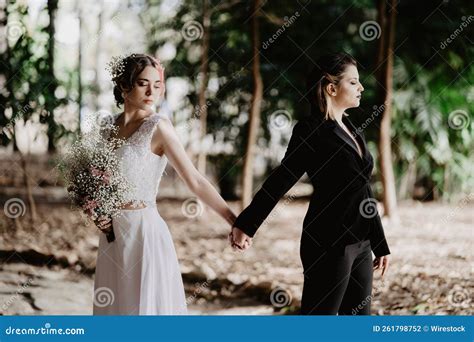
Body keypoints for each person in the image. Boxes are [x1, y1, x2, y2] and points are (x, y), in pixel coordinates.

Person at [230, 52, 390, 315]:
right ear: (331, 88)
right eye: (353, 82)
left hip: (361, 243)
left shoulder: (352, 128)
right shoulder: (311, 130)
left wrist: (379, 242)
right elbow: (282, 179)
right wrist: (247, 224)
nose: (361, 87)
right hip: (328, 242)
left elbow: (363, 189)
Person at [93, 53, 236, 315]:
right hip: (111, 236)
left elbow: (194, 179)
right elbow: (97, 180)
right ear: (124, 85)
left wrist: (233, 219)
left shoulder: (159, 127)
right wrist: (96, 210)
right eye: (142, 83)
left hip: (144, 233)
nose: (152, 91)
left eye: (157, 85)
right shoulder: (106, 127)